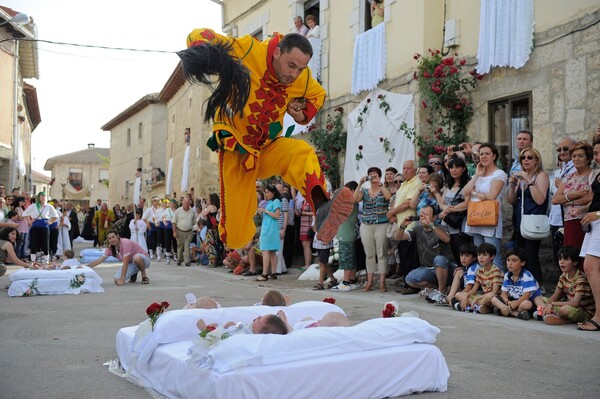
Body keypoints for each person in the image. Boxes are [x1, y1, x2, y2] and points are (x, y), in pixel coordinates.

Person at [179, 28, 353, 250]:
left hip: (269, 148)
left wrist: (298, 112)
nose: (294, 74)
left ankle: (322, 208)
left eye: (301, 69)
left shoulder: (302, 78)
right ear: (278, 52)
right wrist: (202, 51)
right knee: (236, 236)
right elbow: (199, 36)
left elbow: (317, 95)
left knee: (302, 152)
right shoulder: (248, 50)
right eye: (291, 66)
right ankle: (236, 247)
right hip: (238, 150)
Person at [506, 147, 549, 284]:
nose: (526, 160)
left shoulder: (541, 176)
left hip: (533, 220)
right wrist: (512, 186)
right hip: (521, 221)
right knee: (521, 256)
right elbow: (511, 201)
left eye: (529, 157)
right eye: (523, 158)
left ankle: (537, 286)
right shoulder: (521, 177)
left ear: (536, 160)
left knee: (531, 256)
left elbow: (540, 199)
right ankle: (524, 284)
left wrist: (528, 180)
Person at [394, 205, 454, 303]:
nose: (423, 217)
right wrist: (402, 226)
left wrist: (431, 225)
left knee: (439, 259)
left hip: (447, 267)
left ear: (434, 217)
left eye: (426, 214)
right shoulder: (417, 229)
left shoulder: (441, 227)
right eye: (421, 215)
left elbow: (446, 239)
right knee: (410, 279)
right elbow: (397, 237)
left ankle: (441, 292)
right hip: (428, 269)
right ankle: (440, 287)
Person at [463, 143, 507, 268]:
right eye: (481, 154)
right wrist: (477, 175)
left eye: (487, 154)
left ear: (494, 156)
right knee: (481, 256)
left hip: (489, 218)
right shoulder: (478, 174)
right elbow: (465, 192)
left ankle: (498, 286)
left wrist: (475, 193)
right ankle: (486, 284)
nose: (483, 156)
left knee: (493, 255)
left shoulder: (499, 174)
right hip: (476, 217)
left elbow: (492, 196)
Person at [535, 246, 595, 325]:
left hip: (584, 311)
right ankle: (547, 312)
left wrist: (552, 304)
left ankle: (557, 317)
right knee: (538, 298)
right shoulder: (563, 276)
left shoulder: (581, 279)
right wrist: (548, 305)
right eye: (560, 259)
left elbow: (575, 303)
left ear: (575, 262)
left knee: (564, 310)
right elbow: (555, 296)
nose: (561, 262)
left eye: (565, 259)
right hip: (569, 306)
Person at [354, 167, 391, 292]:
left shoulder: (383, 188)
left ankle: (382, 282)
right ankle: (369, 282)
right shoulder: (365, 191)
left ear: (379, 176)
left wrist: (380, 185)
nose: (373, 177)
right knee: (369, 254)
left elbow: (387, 197)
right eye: (371, 175)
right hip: (366, 224)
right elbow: (355, 199)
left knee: (381, 253)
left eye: (375, 175)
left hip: (381, 223)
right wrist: (360, 183)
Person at [551, 141, 593, 250]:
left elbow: (591, 198)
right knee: (571, 255)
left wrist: (567, 202)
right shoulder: (568, 177)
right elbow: (555, 200)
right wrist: (574, 195)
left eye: (580, 156)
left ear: (588, 158)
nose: (576, 159)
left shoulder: (594, 175)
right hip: (569, 221)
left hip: (587, 220)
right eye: (574, 156)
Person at [388, 160, 421, 293]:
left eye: (408, 168)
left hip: (410, 225)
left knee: (409, 255)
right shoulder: (404, 183)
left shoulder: (416, 182)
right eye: (403, 168)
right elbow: (397, 200)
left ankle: (412, 285)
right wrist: (391, 213)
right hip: (400, 224)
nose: (405, 170)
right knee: (403, 254)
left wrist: (392, 212)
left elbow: (408, 203)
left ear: (414, 170)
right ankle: (407, 283)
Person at [577, 135, 600, 331]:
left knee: (590, 267)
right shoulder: (598, 175)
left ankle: (599, 316)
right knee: (590, 267)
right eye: (597, 153)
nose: (597, 157)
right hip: (594, 224)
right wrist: (583, 210)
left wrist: (597, 214)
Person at [548, 136, 576, 270]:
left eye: (566, 149)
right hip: (557, 218)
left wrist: (561, 186)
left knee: (569, 258)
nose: (562, 152)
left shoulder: (575, 168)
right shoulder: (562, 169)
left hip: (570, 217)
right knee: (559, 257)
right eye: (559, 149)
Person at [491, 248, 541, 320]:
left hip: (524, 301)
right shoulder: (507, 275)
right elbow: (503, 294)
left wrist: (512, 306)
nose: (510, 263)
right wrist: (508, 302)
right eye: (508, 260)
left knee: (526, 304)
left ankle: (504, 310)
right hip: (511, 301)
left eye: (514, 260)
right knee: (494, 299)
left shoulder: (526, 275)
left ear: (522, 263)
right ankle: (517, 314)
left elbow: (526, 296)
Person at [438, 157, 472, 262]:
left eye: (457, 167)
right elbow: (442, 203)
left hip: (459, 226)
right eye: (451, 167)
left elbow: (468, 203)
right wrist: (444, 209)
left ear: (463, 169)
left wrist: (450, 210)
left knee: (462, 255)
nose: (454, 169)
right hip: (446, 224)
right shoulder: (449, 184)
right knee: (449, 254)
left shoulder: (467, 184)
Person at [331, 181, 360, 292]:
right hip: (348, 233)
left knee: (346, 258)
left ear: (352, 191)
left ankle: (346, 282)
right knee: (351, 258)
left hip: (346, 235)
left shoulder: (351, 202)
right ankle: (351, 280)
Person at [464, 243, 503, 314]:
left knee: (488, 298)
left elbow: (494, 292)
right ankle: (480, 307)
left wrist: (477, 298)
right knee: (459, 295)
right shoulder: (480, 271)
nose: (481, 257)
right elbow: (474, 290)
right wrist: (465, 296)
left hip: (493, 297)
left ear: (492, 257)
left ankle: (476, 306)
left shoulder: (496, 270)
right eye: (479, 255)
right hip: (483, 296)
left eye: (484, 255)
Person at [22, 192, 58, 263]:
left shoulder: (48, 206)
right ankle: (33, 261)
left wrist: (50, 222)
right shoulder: (33, 206)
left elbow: (55, 216)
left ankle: (46, 260)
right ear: (38, 198)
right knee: (33, 244)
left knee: (45, 244)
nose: (43, 198)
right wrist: (29, 221)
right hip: (35, 227)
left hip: (44, 227)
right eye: (42, 196)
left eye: (44, 196)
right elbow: (25, 214)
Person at [256, 185, 281, 281]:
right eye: (265, 193)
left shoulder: (276, 201)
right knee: (271, 252)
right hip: (267, 227)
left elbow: (277, 215)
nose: (266, 195)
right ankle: (273, 272)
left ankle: (265, 273)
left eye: (268, 192)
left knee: (265, 250)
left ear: (273, 193)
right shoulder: (269, 202)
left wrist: (265, 211)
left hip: (270, 228)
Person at [447, 243, 480, 309]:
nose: (463, 258)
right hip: (468, 293)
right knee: (459, 272)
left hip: (474, 294)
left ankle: (461, 305)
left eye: (467, 256)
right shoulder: (468, 267)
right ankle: (451, 296)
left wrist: (457, 296)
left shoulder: (473, 268)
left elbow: (469, 287)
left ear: (474, 258)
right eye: (461, 255)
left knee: (453, 300)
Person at [196, 313, 288, 336]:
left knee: (214, 327)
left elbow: (224, 338)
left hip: (223, 335)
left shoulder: (246, 335)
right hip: (235, 328)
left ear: (258, 330)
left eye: (259, 319)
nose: (256, 318)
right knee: (230, 323)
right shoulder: (252, 329)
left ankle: (205, 331)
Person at [172, 197, 196, 266]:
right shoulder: (178, 211)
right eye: (185, 202)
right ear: (182, 203)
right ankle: (179, 259)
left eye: (187, 202)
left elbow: (194, 221)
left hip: (189, 232)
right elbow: (174, 222)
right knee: (180, 246)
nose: (186, 204)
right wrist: (174, 232)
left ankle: (187, 261)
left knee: (187, 245)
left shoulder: (192, 211)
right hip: (180, 231)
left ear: (189, 203)